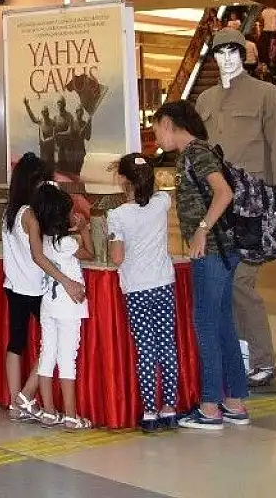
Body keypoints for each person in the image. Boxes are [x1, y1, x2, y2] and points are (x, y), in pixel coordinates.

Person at [195, 28, 276, 388]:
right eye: (220, 52)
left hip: (255, 204)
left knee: (241, 283)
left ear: (244, 54)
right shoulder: (205, 99)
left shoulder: (267, 94)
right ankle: (240, 358)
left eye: (233, 51)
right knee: (221, 284)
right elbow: (200, 152)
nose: (227, 59)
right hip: (217, 205)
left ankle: (263, 360)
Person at [153, 100, 251, 430]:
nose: (157, 137)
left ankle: (209, 407)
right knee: (222, 323)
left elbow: (224, 193)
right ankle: (234, 401)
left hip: (212, 251)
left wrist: (201, 231)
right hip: (222, 250)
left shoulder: (196, 152)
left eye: (157, 129)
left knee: (207, 324)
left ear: (169, 123)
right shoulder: (195, 153)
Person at [0, 153, 86, 423]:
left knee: (16, 343)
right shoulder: (31, 215)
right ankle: (26, 395)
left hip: (13, 285)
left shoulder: (9, 212)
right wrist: (67, 281)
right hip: (35, 288)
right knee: (52, 345)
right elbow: (39, 256)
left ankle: (15, 403)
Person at [109, 153, 179, 433]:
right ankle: (170, 407)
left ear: (123, 180)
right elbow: (159, 193)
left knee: (146, 348)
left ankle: (150, 410)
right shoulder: (162, 203)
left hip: (137, 288)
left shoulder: (117, 215)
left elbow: (117, 257)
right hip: (163, 282)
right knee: (167, 345)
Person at [29, 182, 93, 430]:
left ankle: (48, 411)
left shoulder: (45, 241)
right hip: (69, 305)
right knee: (68, 357)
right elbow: (90, 252)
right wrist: (84, 230)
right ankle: (71, 415)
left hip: (49, 303)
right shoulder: (66, 243)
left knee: (47, 354)